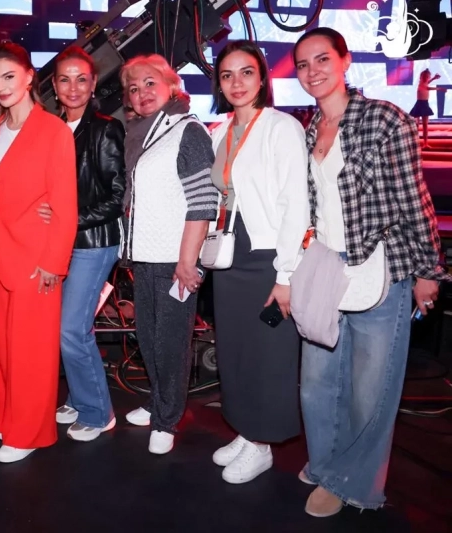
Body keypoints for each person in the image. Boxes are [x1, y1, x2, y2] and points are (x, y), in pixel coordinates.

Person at [294, 27, 446, 517]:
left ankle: (353, 482)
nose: (312, 71)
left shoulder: (384, 119)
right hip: (326, 268)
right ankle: (326, 463)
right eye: (303, 64)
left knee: (370, 389)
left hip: (381, 267)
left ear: (344, 61)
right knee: (317, 384)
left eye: (322, 59)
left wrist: (428, 271)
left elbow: (414, 200)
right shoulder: (309, 127)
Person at [207, 40, 309, 483]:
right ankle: (246, 431)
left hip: (268, 255)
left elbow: (296, 205)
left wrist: (286, 274)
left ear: (263, 78)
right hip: (230, 253)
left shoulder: (281, 127)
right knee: (236, 349)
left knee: (269, 352)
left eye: (246, 72)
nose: (237, 82)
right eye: (227, 75)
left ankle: (263, 443)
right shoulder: (220, 131)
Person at [120, 54, 219, 455]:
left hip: (175, 258)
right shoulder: (145, 134)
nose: (141, 93)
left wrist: (187, 261)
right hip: (145, 256)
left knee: (171, 344)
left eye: (150, 83)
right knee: (148, 339)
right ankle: (158, 401)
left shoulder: (188, 130)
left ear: (171, 87)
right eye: (133, 88)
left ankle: (167, 419)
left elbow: (203, 202)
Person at [0, 42, 77, 463]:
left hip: (36, 259)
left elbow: (65, 206)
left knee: (32, 353)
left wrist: (53, 262)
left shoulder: (54, 130)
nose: (0, 87)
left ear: (28, 76)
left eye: (8, 77)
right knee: (4, 350)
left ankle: (29, 432)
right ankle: (9, 418)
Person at [44, 46, 125, 442]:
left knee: (72, 330)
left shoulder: (105, 128)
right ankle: (79, 397)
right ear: (55, 86)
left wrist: (68, 219)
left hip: (94, 242)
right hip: (61, 244)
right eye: (65, 79)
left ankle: (97, 412)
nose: (73, 87)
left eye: (81, 79)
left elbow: (117, 196)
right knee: (65, 329)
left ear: (94, 84)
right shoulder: (52, 129)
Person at [409, 69, 446, 147]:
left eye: (427, 76)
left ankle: (425, 143)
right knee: (416, 125)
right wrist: (439, 89)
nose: (426, 78)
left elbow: (427, 83)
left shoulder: (424, 83)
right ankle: (415, 142)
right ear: (421, 77)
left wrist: (434, 78)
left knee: (425, 125)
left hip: (424, 104)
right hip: (419, 104)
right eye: (425, 76)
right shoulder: (421, 84)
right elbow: (427, 87)